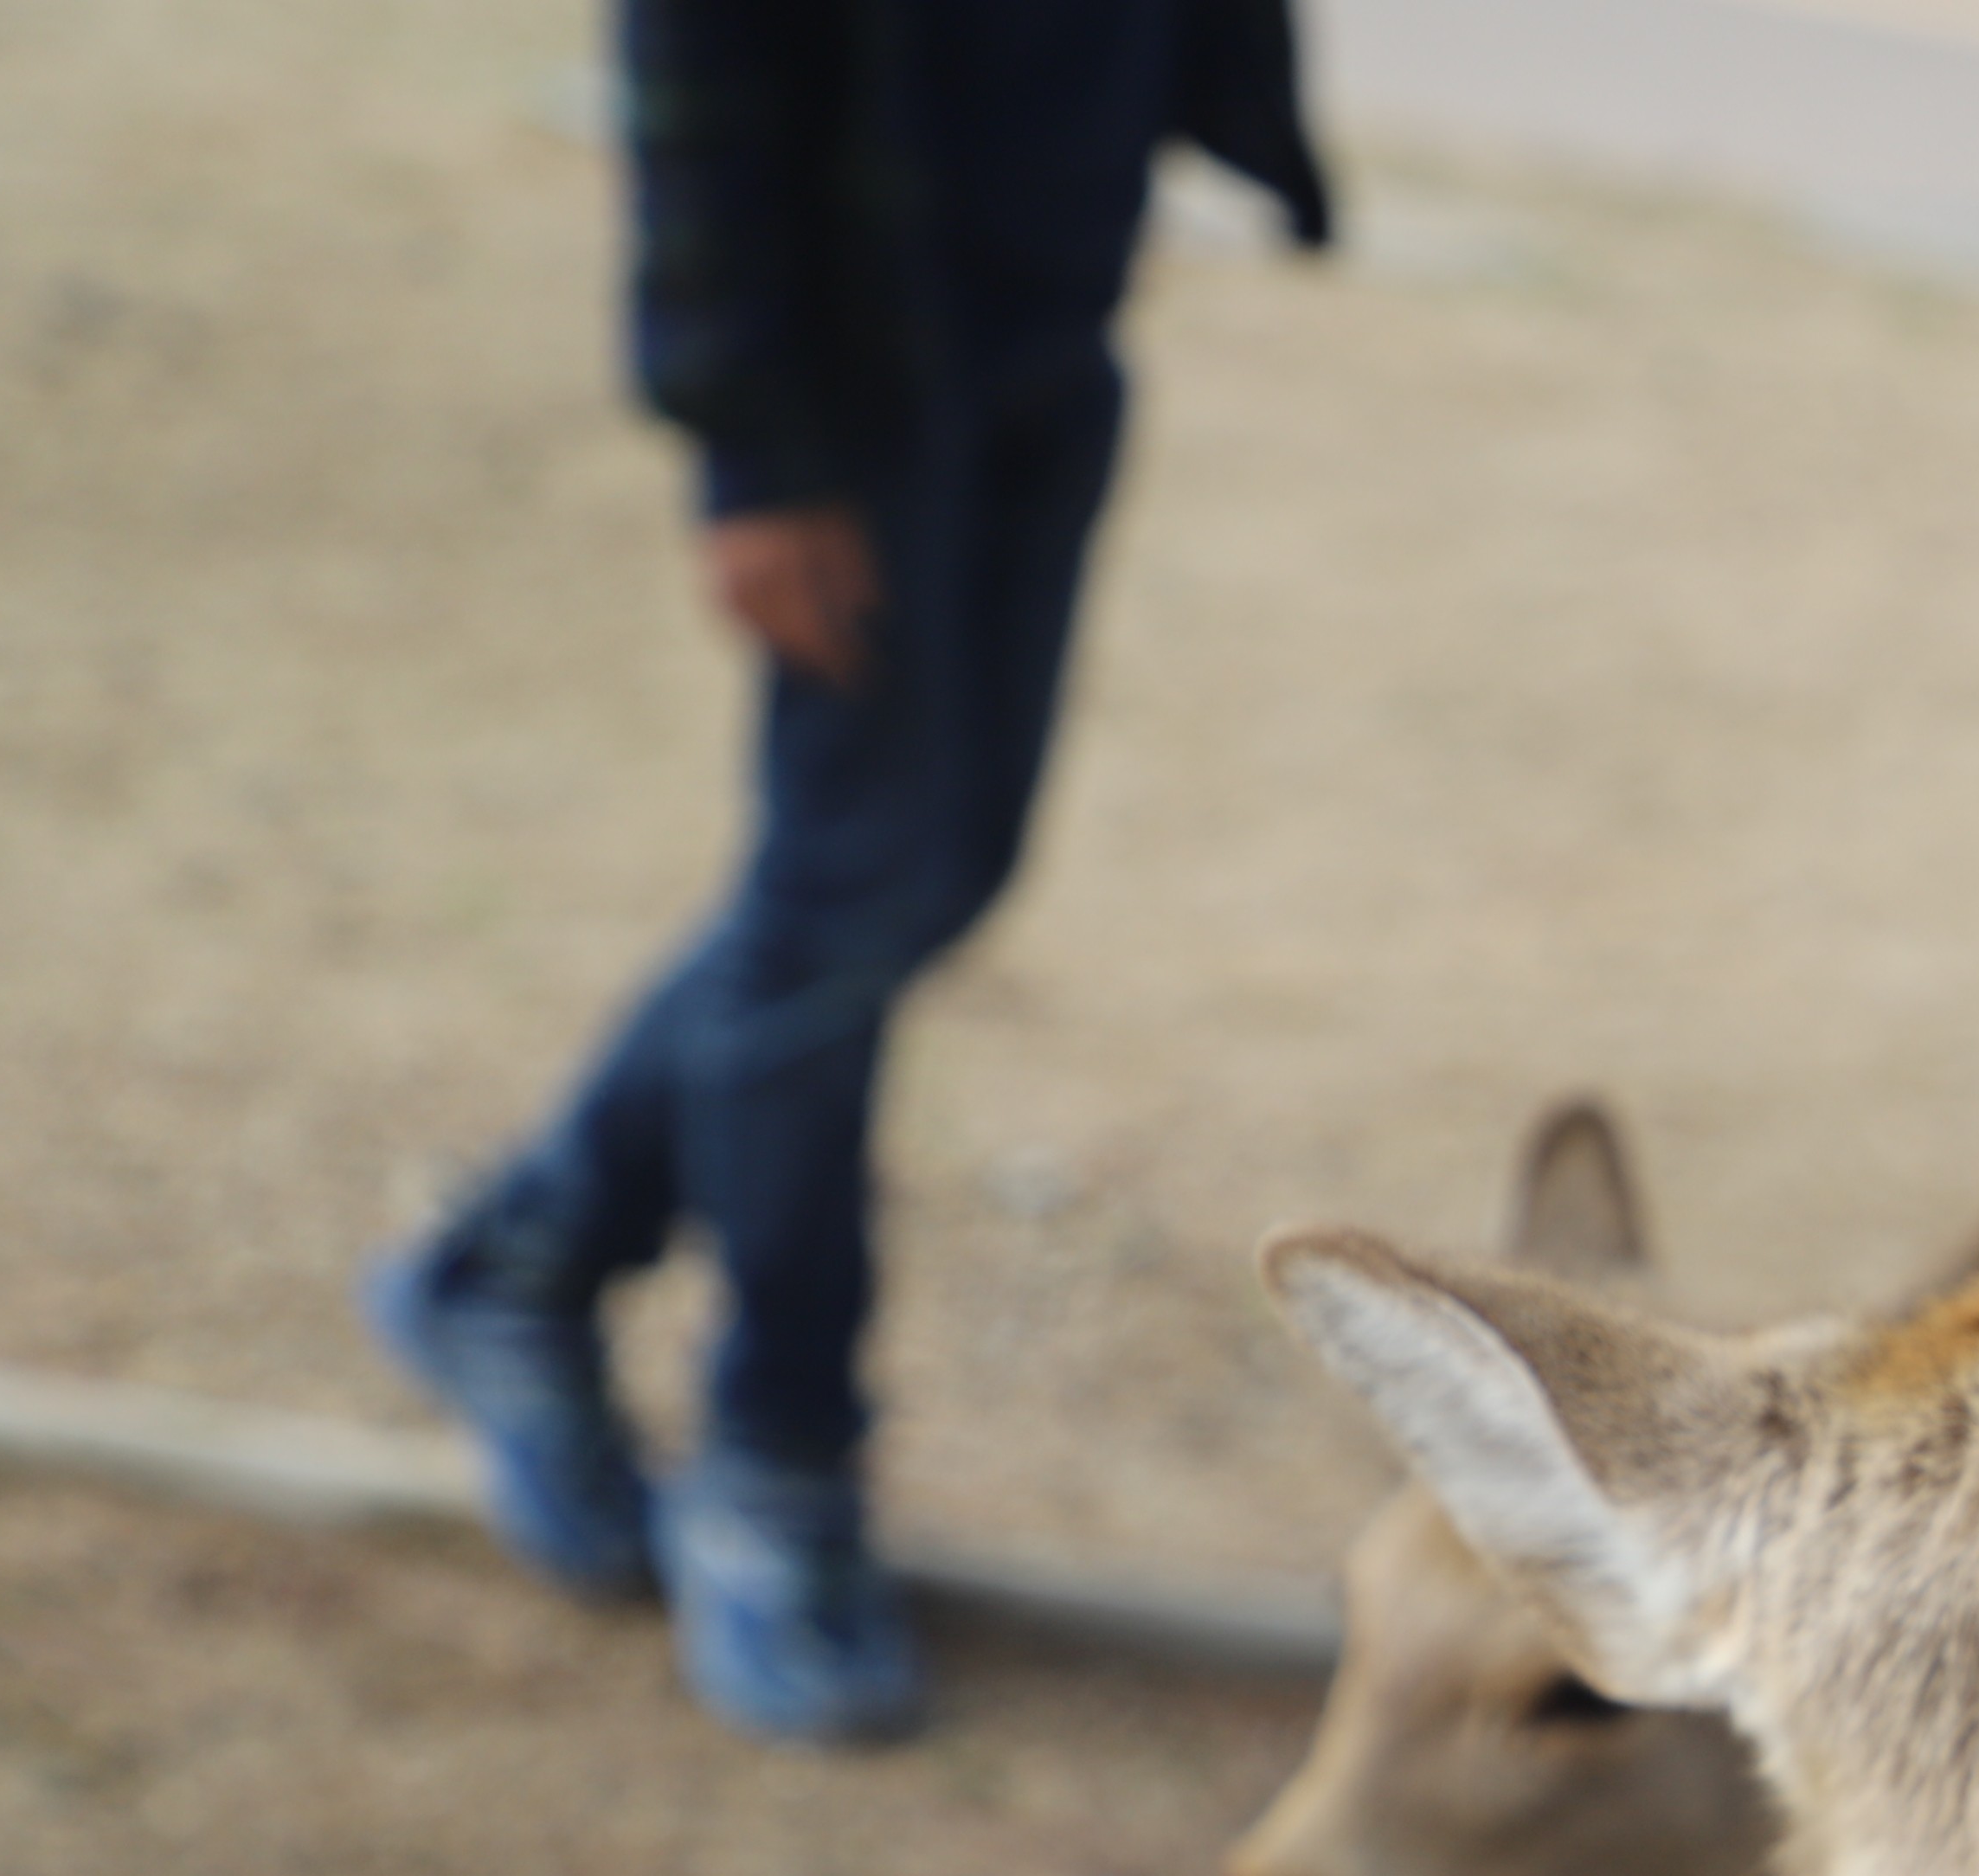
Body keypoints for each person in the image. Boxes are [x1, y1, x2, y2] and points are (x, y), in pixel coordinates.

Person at [360, 0, 1330, 1744]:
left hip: (1051, 309)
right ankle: (775, 1458)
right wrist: (754, 446)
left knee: (929, 878)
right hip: (857, 373)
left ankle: (519, 1260)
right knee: (842, 906)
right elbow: (695, 68)